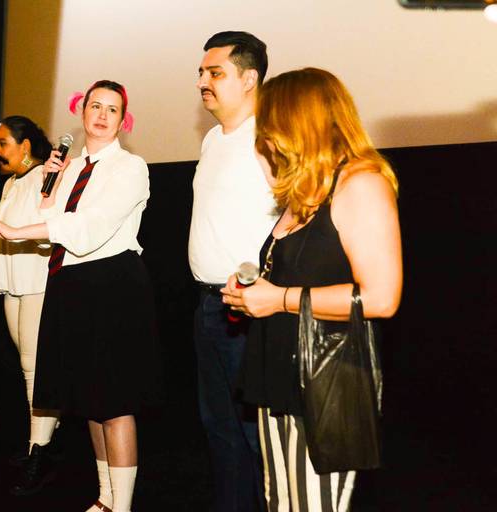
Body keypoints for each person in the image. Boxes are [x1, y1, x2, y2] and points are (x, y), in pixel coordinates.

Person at [222, 67, 402, 511]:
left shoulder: (360, 183)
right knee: (281, 502)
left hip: (325, 381)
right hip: (279, 377)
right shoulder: (305, 191)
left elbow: (381, 298)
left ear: (296, 120)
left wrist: (277, 299)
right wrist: (251, 293)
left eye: (269, 121)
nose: (263, 133)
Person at [0, 80, 159, 512]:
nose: (102, 115)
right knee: (90, 404)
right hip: (70, 283)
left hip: (112, 285)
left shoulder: (130, 167)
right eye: (95, 106)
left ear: (123, 120)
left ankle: (122, 506)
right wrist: (51, 184)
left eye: (112, 109)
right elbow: (51, 225)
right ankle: (105, 498)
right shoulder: (70, 167)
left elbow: (88, 229)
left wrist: (17, 231)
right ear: (81, 112)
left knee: (115, 405)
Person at [190, 31, 276, 512]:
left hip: (249, 308)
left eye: (215, 73)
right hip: (209, 305)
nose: (203, 81)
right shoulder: (211, 139)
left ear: (249, 79)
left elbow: (297, 217)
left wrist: (265, 285)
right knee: (220, 430)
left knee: (258, 435)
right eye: (201, 73)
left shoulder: (270, 137)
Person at [0, 115, 58, 495]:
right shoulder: (11, 183)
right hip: (13, 280)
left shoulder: (45, 176)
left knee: (34, 367)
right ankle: (42, 442)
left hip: (34, 278)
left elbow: (50, 227)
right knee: (27, 363)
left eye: (3, 143)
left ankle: (39, 452)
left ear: (25, 145)